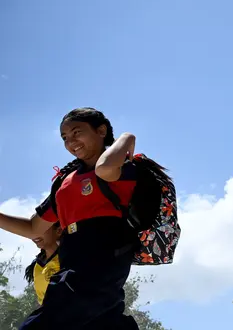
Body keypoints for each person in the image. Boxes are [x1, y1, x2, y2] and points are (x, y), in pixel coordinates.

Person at [0, 107, 143, 329]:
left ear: (101, 130)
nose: (70, 142)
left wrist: (126, 137)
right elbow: (33, 227)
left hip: (101, 261)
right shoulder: (64, 181)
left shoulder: (122, 166)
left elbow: (104, 168)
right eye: (65, 138)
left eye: (77, 132)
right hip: (73, 262)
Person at [23, 222, 63, 306]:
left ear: (59, 230)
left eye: (40, 228)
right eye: (32, 229)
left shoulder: (69, 259)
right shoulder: (37, 264)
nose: (34, 234)